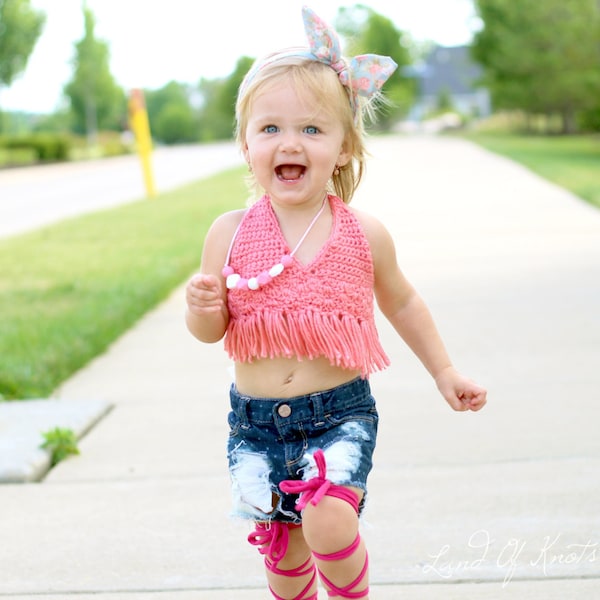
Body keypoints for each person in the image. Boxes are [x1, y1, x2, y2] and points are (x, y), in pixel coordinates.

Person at [185, 6, 487, 599]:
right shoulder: (229, 232)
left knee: (327, 517)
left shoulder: (362, 233)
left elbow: (402, 303)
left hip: (338, 414)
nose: (288, 142)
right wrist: (202, 306)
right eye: (269, 129)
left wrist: (444, 371)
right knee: (284, 551)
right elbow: (211, 330)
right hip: (255, 424)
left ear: (344, 148)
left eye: (311, 130)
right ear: (246, 146)